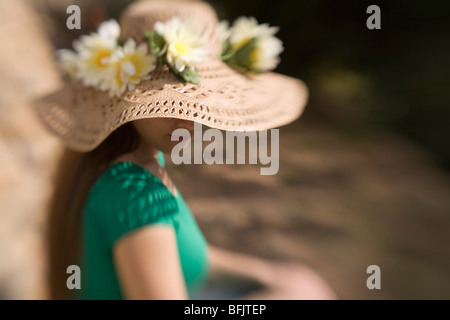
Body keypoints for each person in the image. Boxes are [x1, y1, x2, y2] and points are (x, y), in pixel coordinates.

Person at [34, 0, 337, 300]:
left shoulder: (120, 155)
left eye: (196, 100)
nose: (188, 117)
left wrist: (267, 273)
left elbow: (182, 253)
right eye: (166, 101)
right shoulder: (135, 192)